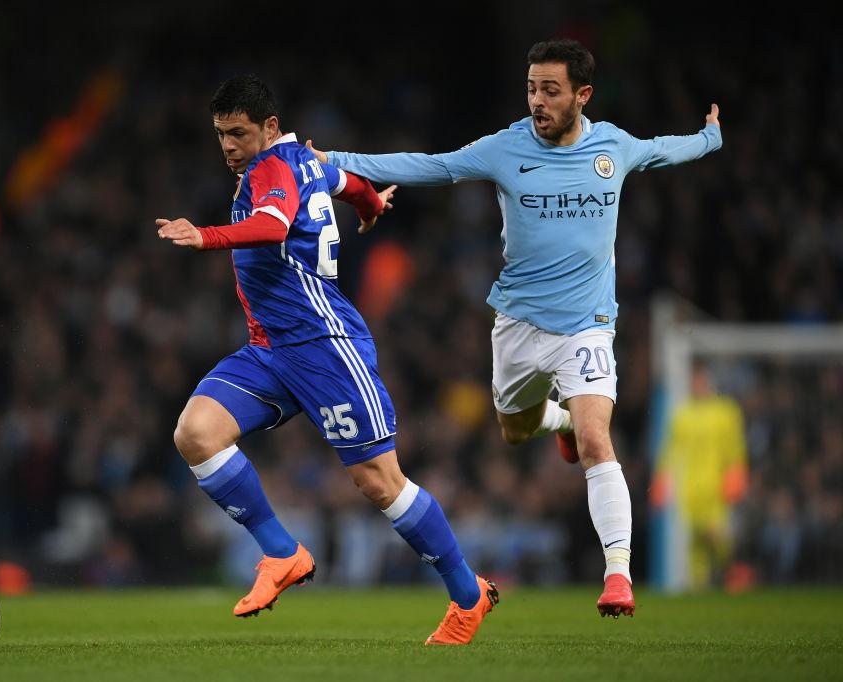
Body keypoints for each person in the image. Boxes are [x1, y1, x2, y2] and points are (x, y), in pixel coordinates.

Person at [309, 38, 723, 617]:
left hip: (588, 325)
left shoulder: (613, 147)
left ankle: (618, 575)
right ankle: (559, 421)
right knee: (513, 427)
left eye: (550, 90)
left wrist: (710, 137)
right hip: (519, 326)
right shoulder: (507, 147)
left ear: (583, 95)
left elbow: (664, 150)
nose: (537, 101)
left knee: (599, 439)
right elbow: (435, 166)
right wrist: (337, 161)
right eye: (532, 88)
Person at [155, 75, 497, 645]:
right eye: (220, 135)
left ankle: (468, 595)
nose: (229, 146)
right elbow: (349, 181)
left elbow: (272, 226)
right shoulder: (305, 160)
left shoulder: (271, 171)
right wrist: (370, 204)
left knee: (378, 481)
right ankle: (283, 555)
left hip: (324, 345)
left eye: (238, 132)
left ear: (268, 127)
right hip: (270, 349)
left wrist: (206, 237)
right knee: (196, 433)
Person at [654, 363, 747, 590]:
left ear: (708, 381)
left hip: (716, 488)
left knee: (716, 535)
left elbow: (735, 448)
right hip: (689, 490)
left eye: (699, 380)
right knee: (695, 547)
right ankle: (701, 591)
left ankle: (734, 571)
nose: (696, 385)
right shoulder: (682, 415)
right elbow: (670, 451)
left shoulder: (726, 411)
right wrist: (661, 479)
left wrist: (737, 475)